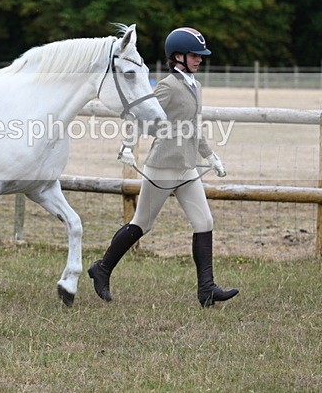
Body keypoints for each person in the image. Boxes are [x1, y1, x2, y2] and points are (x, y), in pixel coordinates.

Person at [87, 27, 239, 307]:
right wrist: (128, 147)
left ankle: (207, 289)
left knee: (204, 222)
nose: (200, 60)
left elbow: (194, 128)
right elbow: (141, 116)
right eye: (194, 55)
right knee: (142, 224)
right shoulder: (168, 86)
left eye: (200, 56)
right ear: (178, 56)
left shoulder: (196, 85)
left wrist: (210, 155)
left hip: (187, 168)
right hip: (162, 168)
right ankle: (102, 268)